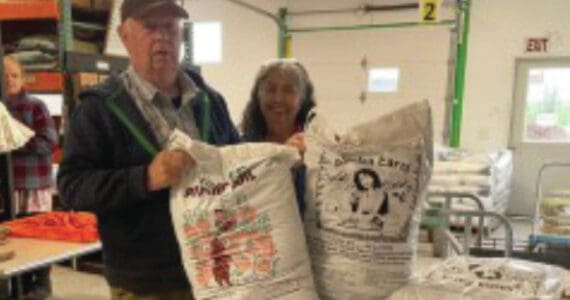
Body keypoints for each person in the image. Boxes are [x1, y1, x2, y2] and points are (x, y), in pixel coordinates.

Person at [57, 0, 239, 299]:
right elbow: (72, 187)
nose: (162, 36)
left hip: (216, 269)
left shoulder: (210, 100)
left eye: (169, 26)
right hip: (148, 282)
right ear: (124, 35)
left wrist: (272, 156)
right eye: (150, 26)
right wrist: (145, 178)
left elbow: (234, 159)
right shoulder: (98, 109)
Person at [3, 55, 58, 299]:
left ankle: (41, 283)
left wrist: (15, 139)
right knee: (11, 237)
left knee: (37, 235)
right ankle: (20, 284)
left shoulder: (35, 106)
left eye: (14, 75)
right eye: (4, 75)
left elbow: (48, 142)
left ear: (23, 78)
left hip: (32, 185)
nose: (9, 80)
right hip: (6, 187)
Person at [240, 58, 316, 216]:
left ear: (302, 99)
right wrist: (281, 160)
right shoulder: (240, 149)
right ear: (258, 97)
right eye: (270, 89)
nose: (278, 99)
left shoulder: (316, 148)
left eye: (289, 90)